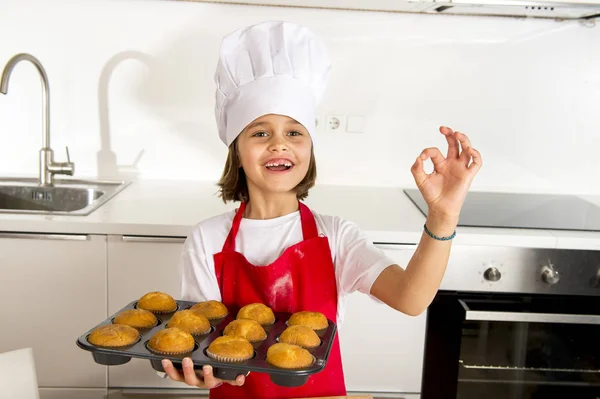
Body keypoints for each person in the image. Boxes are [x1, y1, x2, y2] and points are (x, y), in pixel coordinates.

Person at [161, 20, 482, 399]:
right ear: (237, 150)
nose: (279, 144)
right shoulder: (207, 239)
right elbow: (198, 339)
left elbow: (411, 299)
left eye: (295, 133)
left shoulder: (335, 237)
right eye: (260, 132)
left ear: (309, 149)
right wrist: (197, 370)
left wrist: (443, 216)